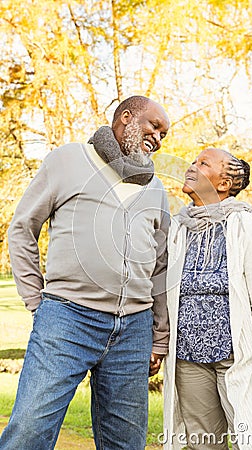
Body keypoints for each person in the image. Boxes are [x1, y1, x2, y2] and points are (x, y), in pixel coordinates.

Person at [0, 95, 170, 450]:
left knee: (125, 443)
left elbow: (160, 265)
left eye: (164, 134)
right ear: (126, 117)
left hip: (134, 329)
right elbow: (21, 228)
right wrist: (37, 301)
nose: (159, 137)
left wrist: (159, 335)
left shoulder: (155, 188)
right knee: (29, 432)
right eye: (154, 125)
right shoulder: (68, 160)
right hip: (68, 318)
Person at [163, 148, 252, 449]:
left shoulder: (243, 225)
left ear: (223, 184)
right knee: (203, 444)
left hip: (236, 360)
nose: (191, 167)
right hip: (188, 359)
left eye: (203, 164)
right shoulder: (178, 227)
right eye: (193, 162)